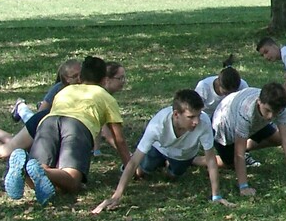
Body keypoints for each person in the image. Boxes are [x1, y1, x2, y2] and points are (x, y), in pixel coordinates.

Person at [4, 56, 132, 204]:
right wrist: (130, 166)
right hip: (77, 126)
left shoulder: (65, 90)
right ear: (104, 80)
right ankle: (39, 170)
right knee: (72, 180)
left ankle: (26, 169)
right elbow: (119, 139)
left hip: (47, 123)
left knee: (47, 176)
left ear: (81, 77)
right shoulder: (106, 97)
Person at [92, 89, 233, 212]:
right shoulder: (158, 125)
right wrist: (116, 196)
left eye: (198, 115)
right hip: (159, 148)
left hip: (184, 154)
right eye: (191, 117)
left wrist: (216, 195)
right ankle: (159, 161)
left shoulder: (204, 123)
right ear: (176, 114)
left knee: (172, 177)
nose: (196, 121)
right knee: (139, 173)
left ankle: (179, 163)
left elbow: (210, 159)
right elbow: (134, 161)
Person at [211, 82, 286, 196]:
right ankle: (201, 160)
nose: (270, 116)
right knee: (231, 163)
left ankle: (244, 144)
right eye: (268, 110)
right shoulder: (245, 112)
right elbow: (239, 155)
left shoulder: (280, 108)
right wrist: (244, 187)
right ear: (259, 101)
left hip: (255, 124)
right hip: (224, 128)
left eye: (275, 112)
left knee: (279, 139)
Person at [11, 58, 81, 122]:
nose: (80, 78)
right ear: (66, 78)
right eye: (75, 76)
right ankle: (21, 107)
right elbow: (38, 116)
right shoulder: (58, 89)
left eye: (81, 74)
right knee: (33, 124)